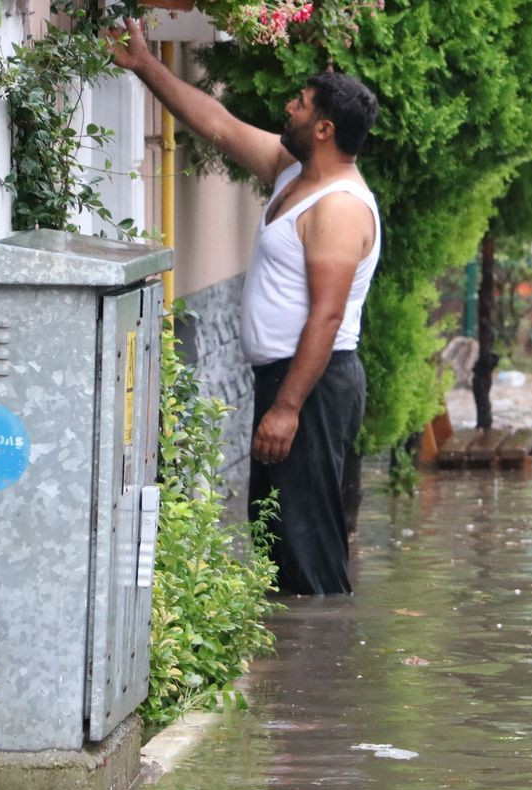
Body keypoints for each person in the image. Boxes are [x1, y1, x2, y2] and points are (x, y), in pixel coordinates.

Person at [110, 20, 380, 595]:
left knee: (307, 546)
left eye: (301, 105)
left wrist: (287, 407)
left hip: (312, 383)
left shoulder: (340, 209)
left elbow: (326, 320)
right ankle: (304, 665)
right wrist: (145, 65)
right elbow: (220, 126)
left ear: (325, 129)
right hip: (291, 379)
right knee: (279, 536)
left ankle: (323, 662)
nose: (289, 107)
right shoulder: (294, 174)